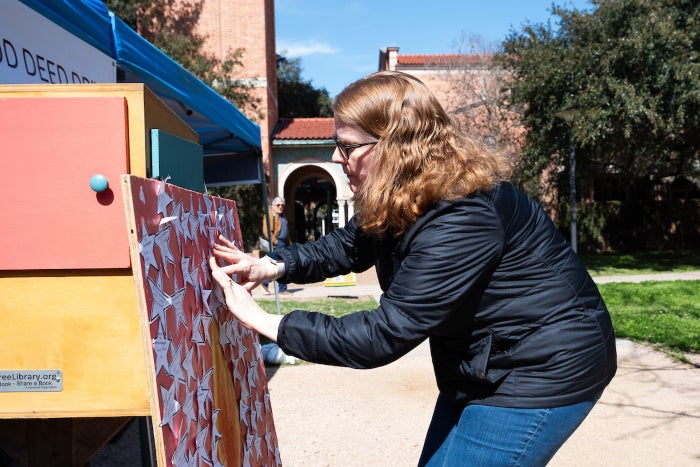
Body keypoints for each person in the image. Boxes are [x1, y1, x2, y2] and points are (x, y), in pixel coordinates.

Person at [210, 71, 617, 466]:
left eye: (346, 145)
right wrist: (270, 266)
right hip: (483, 362)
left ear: (396, 145)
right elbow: (346, 246)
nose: (336, 156)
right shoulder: (401, 194)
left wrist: (268, 323)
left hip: (543, 367)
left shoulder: (461, 215)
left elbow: (384, 334)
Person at [260, 196, 293, 296]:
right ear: (273, 205)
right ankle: (282, 290)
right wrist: (275, 242)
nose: (280, 207)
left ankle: (265, 283)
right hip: (277, 243)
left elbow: (286, 231)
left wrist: (289, 243)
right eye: (278, 205)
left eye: (282, 205)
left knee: (279, 265)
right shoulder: (270, 214)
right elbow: (267, 231)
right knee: (283, 265)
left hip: (283, 243)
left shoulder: (282, 216)